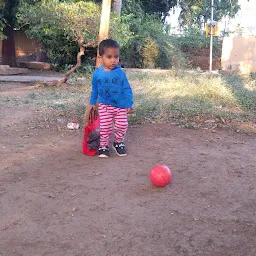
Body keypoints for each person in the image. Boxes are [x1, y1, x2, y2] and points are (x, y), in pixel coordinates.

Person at [90, 39, 133, 158]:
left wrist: (129, 104)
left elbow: (127, 89)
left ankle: (118, 142)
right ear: (101, 56)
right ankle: (103, 146)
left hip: (120, 106)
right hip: (104, 106)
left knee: (122, 125)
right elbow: (94, 89)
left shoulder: (120, 73)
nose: (113, 60)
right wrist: (92, 103)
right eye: (109, 57)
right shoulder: (97, 74)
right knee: (105, 127)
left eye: (116, 57)